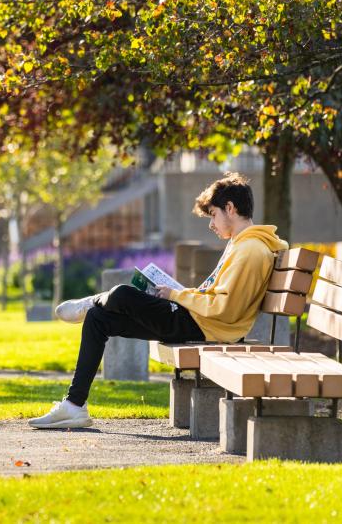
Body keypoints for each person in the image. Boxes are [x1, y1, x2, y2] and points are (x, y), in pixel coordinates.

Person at [28, 171, 288, 429]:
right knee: (99, 320)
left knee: (121, 294)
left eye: (213, 215)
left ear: (229, 208)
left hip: (203, 327)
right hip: (196, 320)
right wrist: (179, 292)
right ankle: (74, 406)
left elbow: (224, 309)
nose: (211, 224)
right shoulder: (241, 244)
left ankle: (92, 302)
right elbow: (217, 297)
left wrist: (176, 295)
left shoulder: (251, 250)